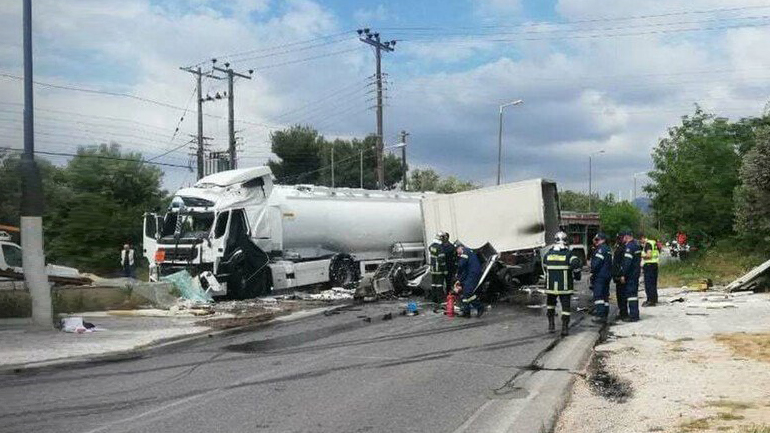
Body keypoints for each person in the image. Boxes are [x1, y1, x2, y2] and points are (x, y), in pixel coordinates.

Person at [543, 231, 582, 336]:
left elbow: (545, 267)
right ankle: (564, 328)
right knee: (565, 308)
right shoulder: (569, 254)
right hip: (564, 287)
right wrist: (577, 276)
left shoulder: (548, 254)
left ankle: (551, 325)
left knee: (550, 305)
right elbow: (576, 265)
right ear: (565, 241)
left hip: (550, 286)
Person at [454, 242, 484, 318]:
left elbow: (461, 265)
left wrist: (457, 275)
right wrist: (459, 280)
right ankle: (466, 312)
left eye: (457, 250)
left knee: (467, 293)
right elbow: (465, 270)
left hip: (473, 274)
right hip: (470, 274)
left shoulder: (465, 252)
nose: (457, 252)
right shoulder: (467, 252)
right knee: (464, 293)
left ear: (460, 248)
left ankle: (479, 306)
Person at [619, 230, 642, 321]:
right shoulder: (636, 245)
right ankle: (635, 314)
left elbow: (627, 263)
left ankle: (633, 316)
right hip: (635, 273)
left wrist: (623, 274)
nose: (623, 239)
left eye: (624, 237)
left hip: (631, 274)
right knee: (634, 295)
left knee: (631, 295)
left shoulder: (629, 247)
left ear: (626, 236)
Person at [590, 232, 613, 324]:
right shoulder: (607, 249)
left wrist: (592, 271)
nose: (595, 241)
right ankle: (605, 313)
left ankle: (600, 315)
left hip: (600, 275)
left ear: (602, 240)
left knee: (598, 295)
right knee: (605, 295)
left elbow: (596, 264)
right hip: (607, 275)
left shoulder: (600, 249)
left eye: (597, 239)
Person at [612, 234, 628, 321]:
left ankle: (624, 313)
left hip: (620, 275)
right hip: (617, 275)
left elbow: (623, 263)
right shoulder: (619, 248)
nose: (618, 240)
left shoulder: (623, 249)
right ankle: (622, 312)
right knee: (619, 295)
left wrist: (622, 275)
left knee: (622, 295)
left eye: (619, 238)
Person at [640, 233, 659, 307]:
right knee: (653, 283)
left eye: (641, 240)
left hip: (649, 265)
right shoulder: (653, 242)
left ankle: (650, 300)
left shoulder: (648, 244)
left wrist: (640, 255)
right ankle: (654, 299)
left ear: (643, 237)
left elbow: (649, 255)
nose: (641, 242)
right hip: (654, 264)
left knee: (648, 284)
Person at [428, 233, 448, 303]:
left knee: (434, 284)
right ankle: (440, 300)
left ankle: (434, 299)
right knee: (439, 285)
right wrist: (445, 269)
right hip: (439, 269)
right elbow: (441, 260)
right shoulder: (440, 248)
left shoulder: (431, 246)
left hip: (433, 268)